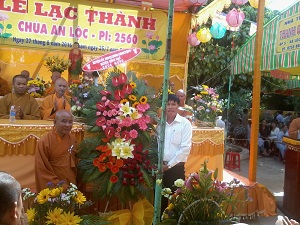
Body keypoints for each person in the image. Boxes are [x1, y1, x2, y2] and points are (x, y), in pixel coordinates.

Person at [157, 94, 192, 213]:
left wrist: (168, 166)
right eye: (168, 104)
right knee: (159, 203)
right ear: (163, 106)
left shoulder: (185, 124)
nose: (170, 107)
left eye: (173, 104)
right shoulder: (159, 124)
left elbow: (185, 149)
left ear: (178, 106)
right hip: (160, 168)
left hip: (176, 169)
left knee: (176, 204)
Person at [35, 109, 77, 192]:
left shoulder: (73, 139)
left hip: (71, 182)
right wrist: (58, 184)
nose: (68, 125)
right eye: (64, 121)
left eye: (70, 122)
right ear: (55, 122)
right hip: (54, 184)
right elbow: (42, 169)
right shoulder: (44, 141)